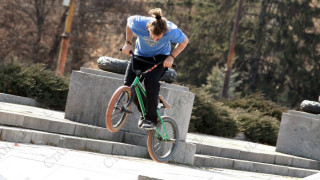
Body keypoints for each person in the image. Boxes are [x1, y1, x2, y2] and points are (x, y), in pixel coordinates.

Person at [121, 8, 189, 130]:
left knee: (150, 81)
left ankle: (151, 119)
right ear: (148, 29)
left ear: (164, 33)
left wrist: (171, 56)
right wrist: (128, 42)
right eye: (153, 36)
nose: (155, 40)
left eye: (159, 38)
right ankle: (146, 112)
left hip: (159, 58)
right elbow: (128, 23)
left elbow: (185, 41)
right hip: (140, 55)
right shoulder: (138, 23)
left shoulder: (171, 31)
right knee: (128, 85)